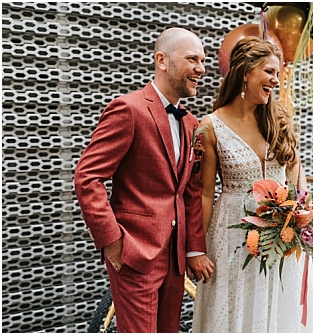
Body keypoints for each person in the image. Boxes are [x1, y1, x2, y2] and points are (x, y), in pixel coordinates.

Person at [74, 27, 215, 333]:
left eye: (203, 61)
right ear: (162, 60)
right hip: (136, 252)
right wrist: (112, 240)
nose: (201, 69)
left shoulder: (191, 123)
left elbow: (190, 192)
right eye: (192, 59)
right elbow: (88, 177)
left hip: (176, 258)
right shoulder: (129, 109)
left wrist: (193, 249)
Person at [191, 36, 313, 332]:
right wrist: (196, 249)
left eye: (277, 73)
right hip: (232, 235)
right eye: (270, 72)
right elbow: (205, 195)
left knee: (279, 308)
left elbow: (294, 167)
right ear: (246, 72)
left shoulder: (277, 118)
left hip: (282, 236)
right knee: (235, 308)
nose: (276, 80)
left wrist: (302, 209)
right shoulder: (210, 127)